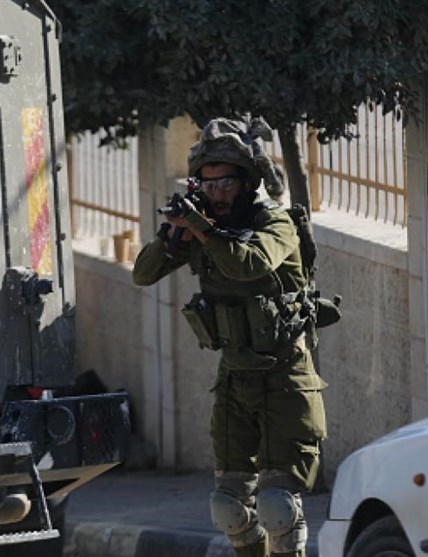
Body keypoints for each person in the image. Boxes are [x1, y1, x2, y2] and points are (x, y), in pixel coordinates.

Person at [132, 117, 327, 557]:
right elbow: (142, 274)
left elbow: (249, 263)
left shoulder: (274, 222)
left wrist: (203, 230)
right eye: (208, 184)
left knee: (278, 506)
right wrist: (172, 236)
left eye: (225, 184)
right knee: (228, 508)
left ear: (245, 182)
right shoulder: (202, 227)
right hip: (235, 379)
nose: (216, 193)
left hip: (285, 377)